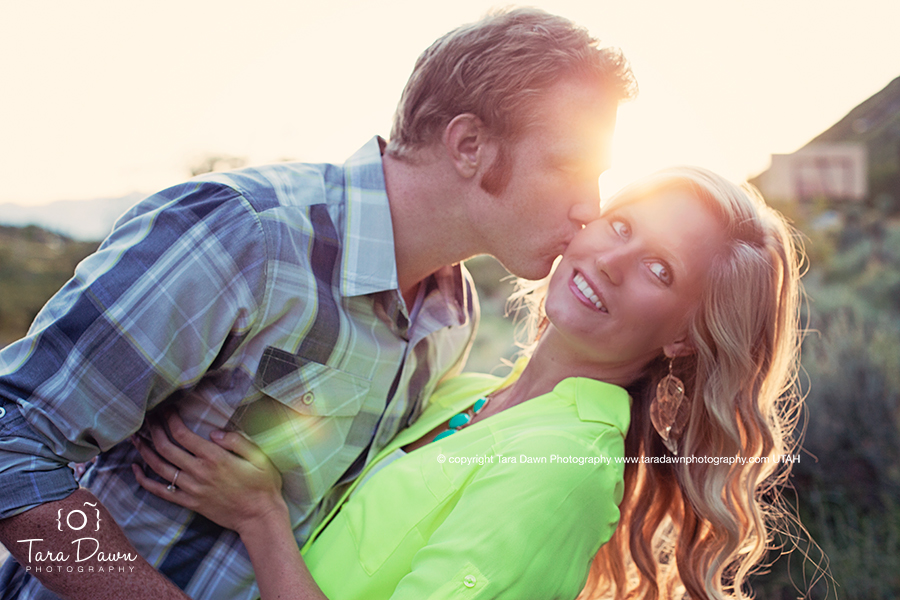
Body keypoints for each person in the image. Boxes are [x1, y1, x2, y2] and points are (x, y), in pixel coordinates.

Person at [0, 8, 636, 600]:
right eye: (569, 165)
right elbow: (12, 442)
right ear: (469, 145)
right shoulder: (244, 233)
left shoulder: (452, 316)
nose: (590, 205)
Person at [132, 167, 805, 600]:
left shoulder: (564, 466)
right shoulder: (464, 394)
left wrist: (261, 519)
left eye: (661, 270)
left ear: (685, 336)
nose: (613, 260)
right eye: (621, 226)